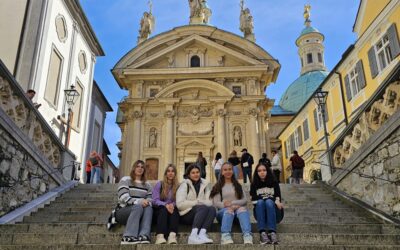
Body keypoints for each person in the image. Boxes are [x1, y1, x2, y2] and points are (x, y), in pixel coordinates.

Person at [210, 162, 253, 245]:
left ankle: (247, 235)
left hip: (237, 212)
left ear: (233, 171)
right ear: (222, 172)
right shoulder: (218, 186)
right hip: (223, 213)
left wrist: (233, 204)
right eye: (225, 170)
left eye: (230, 169)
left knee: (243, 209)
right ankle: (225, 235)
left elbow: (244, 200)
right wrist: (225, 205)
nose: (228, 171)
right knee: (229, 210)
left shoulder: (237, 185)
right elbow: (216, 203)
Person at [176, 164, 216, 244]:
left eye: (197, 172)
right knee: (202, 207)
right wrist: (196, 203)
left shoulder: (205, 185)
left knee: (212, 209)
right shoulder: (184, 185)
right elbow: (179, 204)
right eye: (193, 173)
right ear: (189, 174)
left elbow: (209, 202)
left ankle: (202, 234)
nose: (196, 174)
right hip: (185, 214)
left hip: (200, 213)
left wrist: (202, 203)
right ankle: (193, 236)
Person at [116, 160, 153, 245]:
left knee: (149, 207)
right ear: (134, 168)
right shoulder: (125, 179)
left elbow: (150, 198)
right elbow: (123, 197)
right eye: (137, 166)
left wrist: (147, 202)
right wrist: (139, 201)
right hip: (123, 211)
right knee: (138, 206)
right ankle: (128, 237)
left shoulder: (147, 184)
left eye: (142, 167)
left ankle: (144, 235)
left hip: (140, 212)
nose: (140, 168)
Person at [250, 163, 284, 245]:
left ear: (268, 171)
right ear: (256, 173)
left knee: (268, 202)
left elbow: (278, 198)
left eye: (264, 170)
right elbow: (254, 200)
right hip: (260, 213)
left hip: (275, 213)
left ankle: (272, 232)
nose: (262, 172)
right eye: (259, 171)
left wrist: (274, 200)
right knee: (261, 202)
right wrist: (272, 198)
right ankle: (262, 234)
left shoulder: (274, 183)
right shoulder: (254, 184)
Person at [152, 164, 179, 244]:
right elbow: (154, 200)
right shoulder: (159, 184)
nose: (170, 173)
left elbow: (179, 200)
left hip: (171, 209)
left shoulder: (178, 186)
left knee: (175, 210)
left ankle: (172, 236)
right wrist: (165, 205)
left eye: (172, 171)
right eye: (168, 171)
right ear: (166, 173)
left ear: (175, 174)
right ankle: (160, 236)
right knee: (163, 210)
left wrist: (172, 205)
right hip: (159, 210)